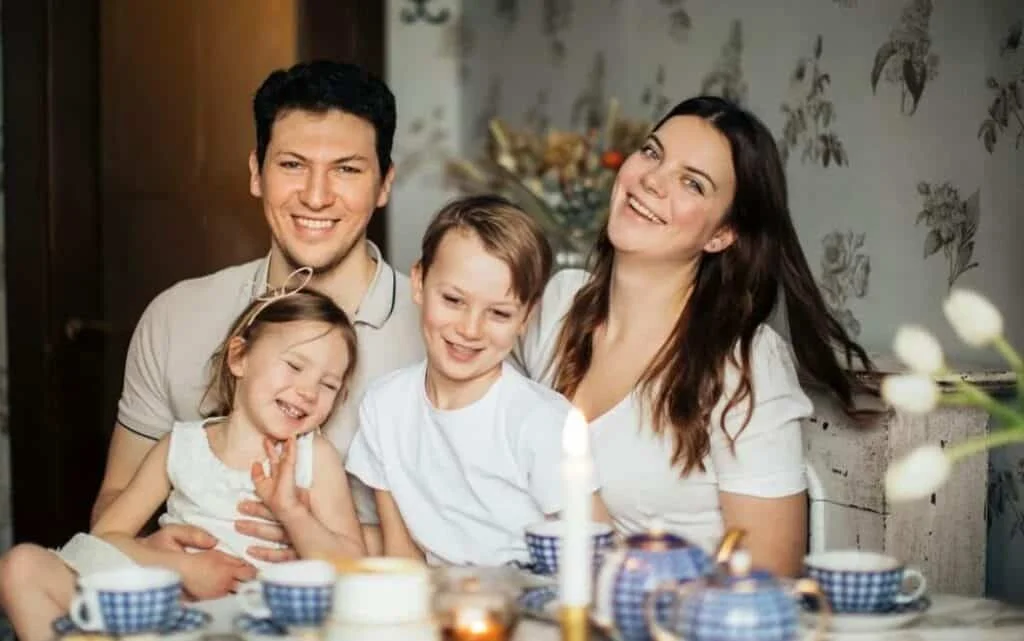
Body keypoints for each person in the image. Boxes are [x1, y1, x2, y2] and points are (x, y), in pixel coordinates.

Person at [80, 61, 421, 568]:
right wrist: (153, 554)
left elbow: (469, 531)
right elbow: (116, 501)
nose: (316, 195)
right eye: (292, 165)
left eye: (346, 169)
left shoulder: (439, 334)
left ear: (385, 184)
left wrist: (311, 535)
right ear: (256, 173)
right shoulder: (176, 316)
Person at [515, 96, 871, 577]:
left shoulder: (743, 365)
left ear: (721, 234)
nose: (652, 180)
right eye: (652, 152)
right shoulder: (558, 303)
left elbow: (770, 578)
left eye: (692, 182)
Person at [0, 283, 367, 641]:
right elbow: (103, 540)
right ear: (239, 357)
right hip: (162, 613)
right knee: (21, 567)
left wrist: (291, 512)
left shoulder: (314, 457)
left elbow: (353, 570)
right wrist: (182, 568)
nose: (309, 391)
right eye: (295, 365)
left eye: (329, 384)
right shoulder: (181, 445)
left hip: (256, 622)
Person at [346, 195, 607, 566]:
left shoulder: (541, 422)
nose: (469, 330)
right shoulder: (383, 407)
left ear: (526, 317)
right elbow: (402, 556)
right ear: (418, 282)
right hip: (438, 607)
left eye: (499, 313)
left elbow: (597, 553)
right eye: (453, 299)